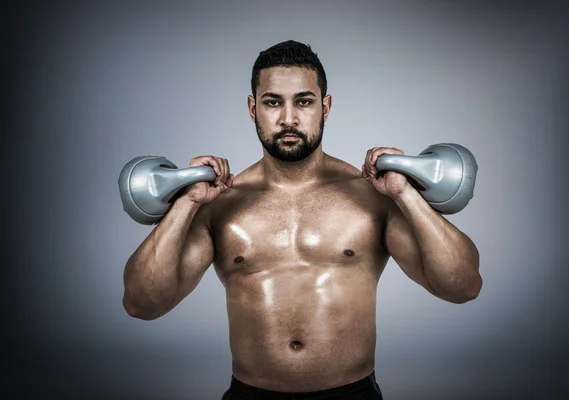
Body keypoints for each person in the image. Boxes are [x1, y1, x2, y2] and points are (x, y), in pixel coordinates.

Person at [122, 40, 482, 399]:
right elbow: (142, 303)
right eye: (273, 102)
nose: (289, 118)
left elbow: (463, 286)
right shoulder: (219, 204)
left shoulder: (372, 197)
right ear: (253, 109)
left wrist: (405, 194)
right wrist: (187, 202)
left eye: (304, 102)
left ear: (325, 107)